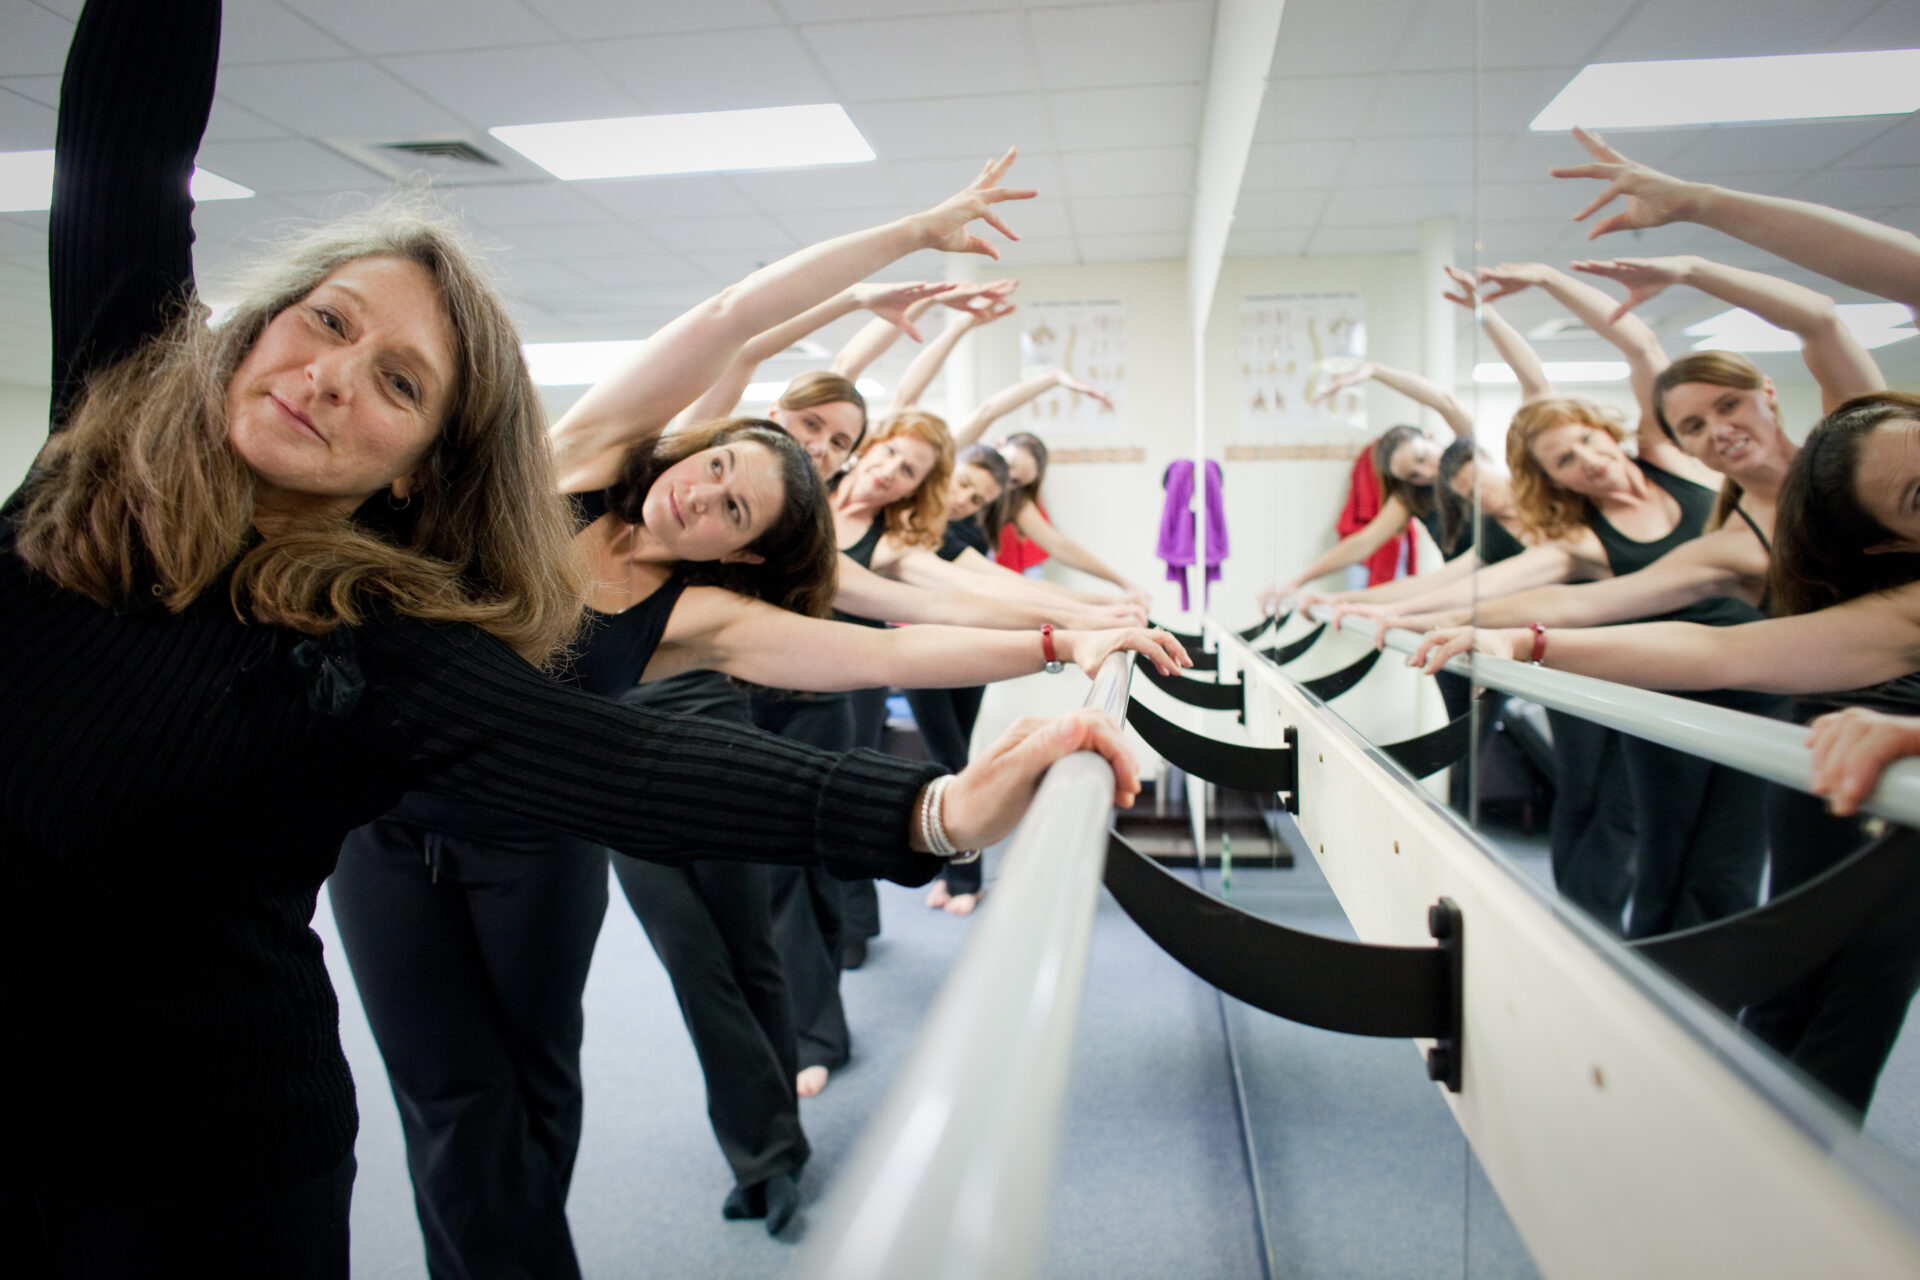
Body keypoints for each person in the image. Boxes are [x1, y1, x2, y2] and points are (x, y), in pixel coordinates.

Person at [6, 6, 1141, 1272]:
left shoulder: (381, 645)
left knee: (528, 1085)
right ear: (259, 323)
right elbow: (122, 145)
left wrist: (952, 784)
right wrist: (904, 245)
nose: (331, 374)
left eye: (398, 381)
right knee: (454, 1097)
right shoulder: (105, 439)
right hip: (356, 878)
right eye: (327, 321)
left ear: (416, 472)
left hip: (190, 1159)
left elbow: (658, 752)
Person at [1413, 390, 1920, 1114]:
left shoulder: (1689, 480)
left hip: (1782, 718)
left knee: (1764, 913)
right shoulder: (1718, 537)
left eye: (1729, 409)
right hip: (1753, 710)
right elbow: (1713, 648)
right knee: (1719, 906)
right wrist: (1522, 641)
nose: (1719, 435)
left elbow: (1821, 327)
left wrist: (1688, 268)